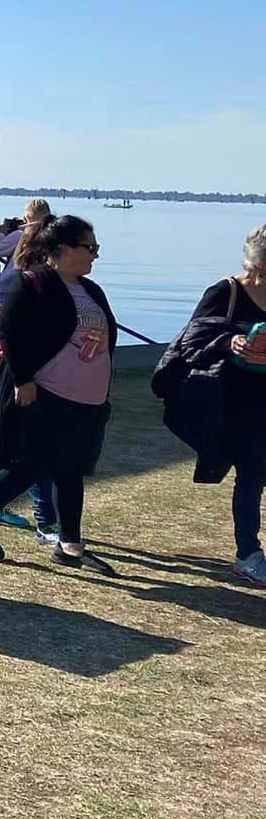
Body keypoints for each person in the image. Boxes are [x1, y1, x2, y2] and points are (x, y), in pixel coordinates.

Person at [0, 214, 117, 574]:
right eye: (89, 247)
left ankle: (70, 546)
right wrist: (24, 379)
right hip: (45, 394)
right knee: (28, 465)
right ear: (63, 248)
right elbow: (10, 334)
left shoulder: (91, 290)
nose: (94, 256)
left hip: (88, 400)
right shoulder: (31, 283)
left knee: (71, 470)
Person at [161, 225, 266, 587]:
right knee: (252, 473)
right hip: (231, 400)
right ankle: (248, 553)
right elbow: (192, 341)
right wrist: (230, 340)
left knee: (256, 472)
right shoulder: (226, 292)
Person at [0, 198, 52, 396]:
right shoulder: (52, 236)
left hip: (8, 293)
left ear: (27, 216)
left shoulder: (21, 235)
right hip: (36, 294)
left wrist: (2, 232)